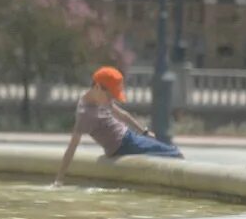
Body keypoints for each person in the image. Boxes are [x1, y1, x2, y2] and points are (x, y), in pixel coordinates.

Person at [53, 66, 183, 187]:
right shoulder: (85, 114)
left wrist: (144, 132)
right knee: (174, 153)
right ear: (97, 87)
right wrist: (59, 180)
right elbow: (72, 147)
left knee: (169, 153)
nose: (111, 101)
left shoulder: (100, 98)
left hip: (130, 138)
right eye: (110, 96)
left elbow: (122, 115)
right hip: (123, 145)